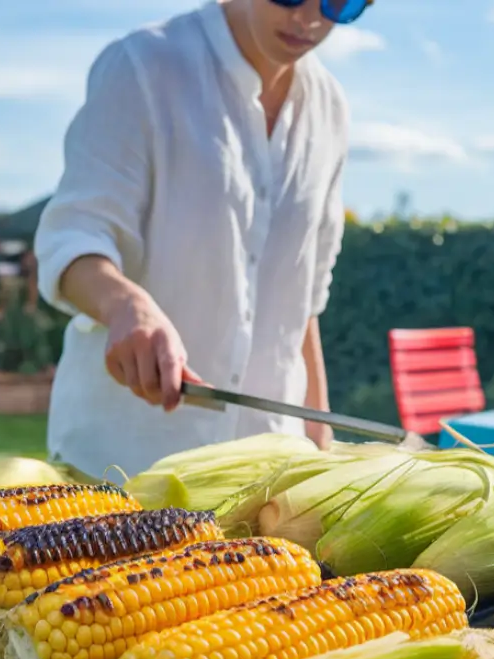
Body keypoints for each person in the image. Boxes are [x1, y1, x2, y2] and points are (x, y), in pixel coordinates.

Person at [34, 0, 371, 479]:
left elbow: (304, 296)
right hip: (123, 462)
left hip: (265, 469)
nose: (310, 19)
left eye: (342, 3)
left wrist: (318, 429)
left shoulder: (331, 107)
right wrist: (125, 305)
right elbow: (74, 237)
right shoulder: (143, 66)